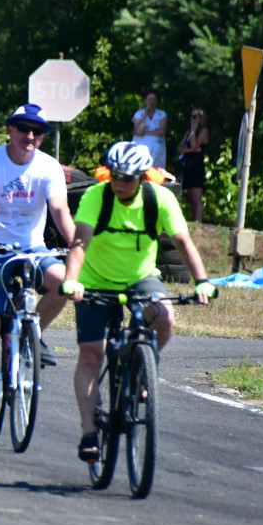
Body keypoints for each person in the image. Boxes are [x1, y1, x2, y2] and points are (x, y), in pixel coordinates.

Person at [60, 142, 214, 463]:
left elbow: (183, 242)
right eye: (115, 176)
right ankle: (89, 432)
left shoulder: (160, 200)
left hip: (140, 279)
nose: (120, 184)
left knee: (165, 318)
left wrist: (202, 282)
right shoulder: (95, 197)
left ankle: (143, 364)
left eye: (128, 178)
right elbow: (79, 242)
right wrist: (71, 280)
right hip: (94, 281)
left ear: (143, 177)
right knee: (91, 355)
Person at [0, 104, 74, 430]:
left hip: (32, 249)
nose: (30, 136)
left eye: (36, 131)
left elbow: (60, 209)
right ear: (10, 129)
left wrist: (74, 244)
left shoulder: (48, 167)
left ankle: (32, 332)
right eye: (23, 128)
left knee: (64, 281)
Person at [177, 107, 209, 223]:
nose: (192, 119)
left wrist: (194, 131)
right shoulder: (188, 132)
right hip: (187, 165)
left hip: (197, 165)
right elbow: (180, 148)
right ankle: (193, 219)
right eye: (191, 116)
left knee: (196, 196)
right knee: (190, 195)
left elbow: (195, 144)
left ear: (201, 119)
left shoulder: (203, 131)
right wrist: (191, 150)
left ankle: (198, 221)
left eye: (195, 117)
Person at [131, 89, 168, 169]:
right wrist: (145, 115)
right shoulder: (139, 114)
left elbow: (162, 131)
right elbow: (138, 131)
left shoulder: (162, 114)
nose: (152, 102)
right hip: (141, 146)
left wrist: (146, 133)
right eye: (149, 99)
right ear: (145, 101)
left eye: (154, 99)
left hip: (157, 148)